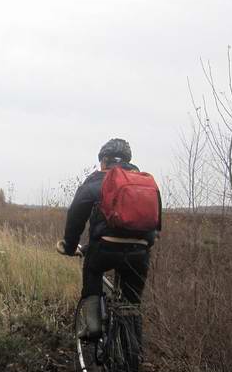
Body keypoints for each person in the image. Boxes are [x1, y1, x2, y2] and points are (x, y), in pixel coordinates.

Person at [56, 138, 157, 339]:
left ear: (103, 160)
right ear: (128, 160)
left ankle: (92, 326)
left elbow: (76, 216)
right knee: (131, 304)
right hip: (140, 250)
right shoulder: (144, 183)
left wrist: (69, 246)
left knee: (92, 270)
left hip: (104, 249)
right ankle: (133, 350)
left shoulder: (95, 181)